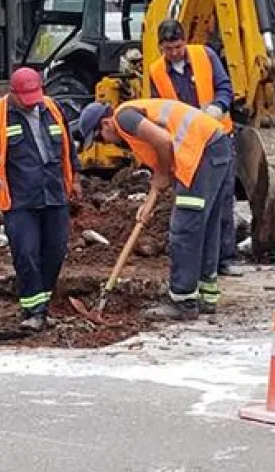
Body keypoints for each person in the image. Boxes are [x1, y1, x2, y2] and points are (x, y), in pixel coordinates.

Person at [79, 97, 233, 320]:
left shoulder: (124, 118)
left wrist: (161, 174)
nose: (106, 143)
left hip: (202, 152)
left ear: (105, 124)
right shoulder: (133, 114)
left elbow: (164, 141)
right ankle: (206, 295)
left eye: (100, 138)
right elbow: (163, 161)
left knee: (185, 228)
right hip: (213, 147)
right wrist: (151, 196)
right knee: (205, 225)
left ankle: (182, 300)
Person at [0, 67, 80, 332]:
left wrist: (76, 180)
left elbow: (68, 148)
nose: (31, 104)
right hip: (20, 200)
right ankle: (33, 311)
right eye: (25, 99)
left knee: (55, 251)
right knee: (26, 253)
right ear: (12, 93)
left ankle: (42, 304)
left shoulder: (53, 109)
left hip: (54, 195)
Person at [148, 19, 242, 277]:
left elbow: (225, 88)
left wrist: (218, 107)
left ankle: (223, 259)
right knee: (195, 203)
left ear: (185, 41)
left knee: (222, 199)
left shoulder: (205, 56)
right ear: (161, 47)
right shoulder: (157, 72)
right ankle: (200, 260)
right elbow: (158, 110)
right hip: (187, 146)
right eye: (168, 49)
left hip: (217, 138)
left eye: (177, 47)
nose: (174, 53)